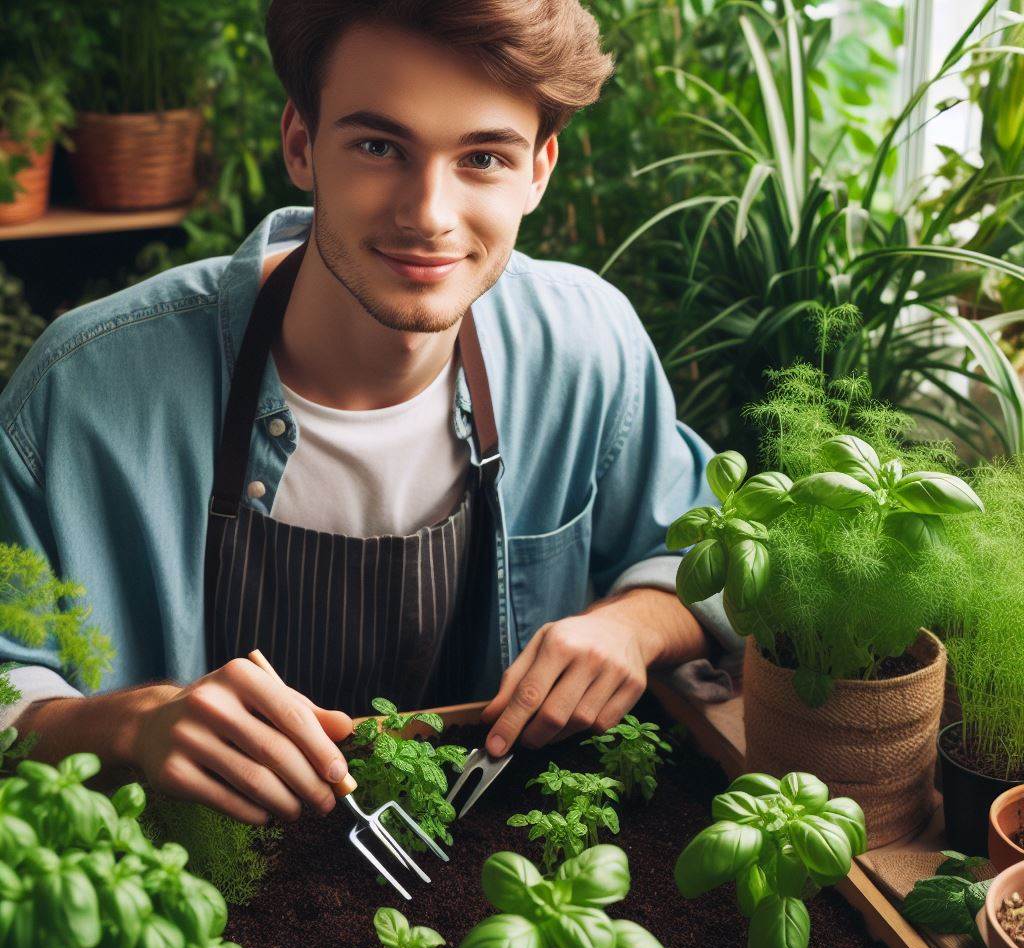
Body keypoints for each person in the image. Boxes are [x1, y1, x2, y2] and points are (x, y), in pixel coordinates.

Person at [0, 0, 737, 828]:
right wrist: (130, 727)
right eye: (379, 146)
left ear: (539, 169)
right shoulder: (79, 392)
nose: (428, 214)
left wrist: (633, 628)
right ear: (302, 145)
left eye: (484, 158)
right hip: (183, 882)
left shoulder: (587, 346)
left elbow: (701, 553)